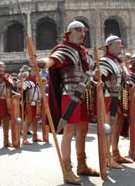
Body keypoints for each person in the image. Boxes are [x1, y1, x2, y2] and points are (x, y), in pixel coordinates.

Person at [30, 20, 98, 184]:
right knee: (69, 132)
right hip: (71, 96)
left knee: (83, 130)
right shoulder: (65, 49)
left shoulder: (83, 52)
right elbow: (52, 60)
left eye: (84, 30)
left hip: (85, 94)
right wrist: (40, 63)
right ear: (69, 33)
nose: (82, 33)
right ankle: (67, 170)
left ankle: (82, 165)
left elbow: (87, 73)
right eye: (78, 30)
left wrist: (96, 79)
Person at [99, 35, 132, 169]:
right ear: (110, 46)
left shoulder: (119, 62)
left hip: (119, 96)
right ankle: (107, 157)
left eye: (121, 44)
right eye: (118, 44)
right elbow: (99, 77)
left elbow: (124, 79)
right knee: (110, 126)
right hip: (109, 96)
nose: (121, 46)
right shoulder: (105, 61)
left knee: (118, 125)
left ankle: (115, 153)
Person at [20, 68, 42, 145]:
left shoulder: (37, 80)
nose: (36, 72)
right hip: (30, 104)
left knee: (35, 120)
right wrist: (21, 85)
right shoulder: (28, 81)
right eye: (34, 70)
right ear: (30, 72)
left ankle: (35, 136)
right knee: (28, 121)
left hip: (37, 104)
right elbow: (21, 90)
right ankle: (24, 139)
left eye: (37, 71)